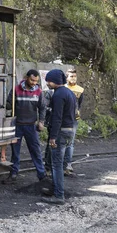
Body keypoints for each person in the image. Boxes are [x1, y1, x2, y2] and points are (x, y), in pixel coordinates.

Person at [3, 69, 47, 184]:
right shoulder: (16, 89)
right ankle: (13, 174)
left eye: (36, 81)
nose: (34, 83)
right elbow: (8, 104)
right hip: (17, 125)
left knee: (35, 151)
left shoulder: (39, 91)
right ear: (26, 77)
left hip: (31, 126)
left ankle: (42, 175)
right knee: (15, 152)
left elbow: (42, 107)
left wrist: (41, 121)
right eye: (32, 80)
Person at [42, 69, 77, 205]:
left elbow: (57, 117)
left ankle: (59, 195)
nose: (47, 84)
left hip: (60, 132)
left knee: (56, 164)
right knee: (59, 163)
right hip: (70, 130)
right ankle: (55, 189)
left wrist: (53, 137)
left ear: (54, 81)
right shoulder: (69, 93)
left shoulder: (58, 95)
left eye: (48, 81)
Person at [64, 69, 84, 175]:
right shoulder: (63, 88)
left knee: (70, 143)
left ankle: (68, 164)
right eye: (71, 76)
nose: (73, 78)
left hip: (74, 119)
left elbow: (79, 104)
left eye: (75, 76)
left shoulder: (80, 90)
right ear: (66, 77)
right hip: (64, 118)